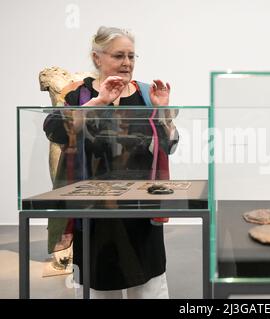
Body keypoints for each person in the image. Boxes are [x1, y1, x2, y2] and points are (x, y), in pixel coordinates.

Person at [43, 26, 179, 298]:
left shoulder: (145, 93)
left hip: (140, 206)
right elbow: (55, 130)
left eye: (131, 56)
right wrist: (100, 101)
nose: (127, 63)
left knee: (149, 284)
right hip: (95, 208)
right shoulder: (79, 95)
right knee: (100, 283)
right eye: (119, 55)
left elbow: (170, 144)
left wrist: (163, 112)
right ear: (97, 58)